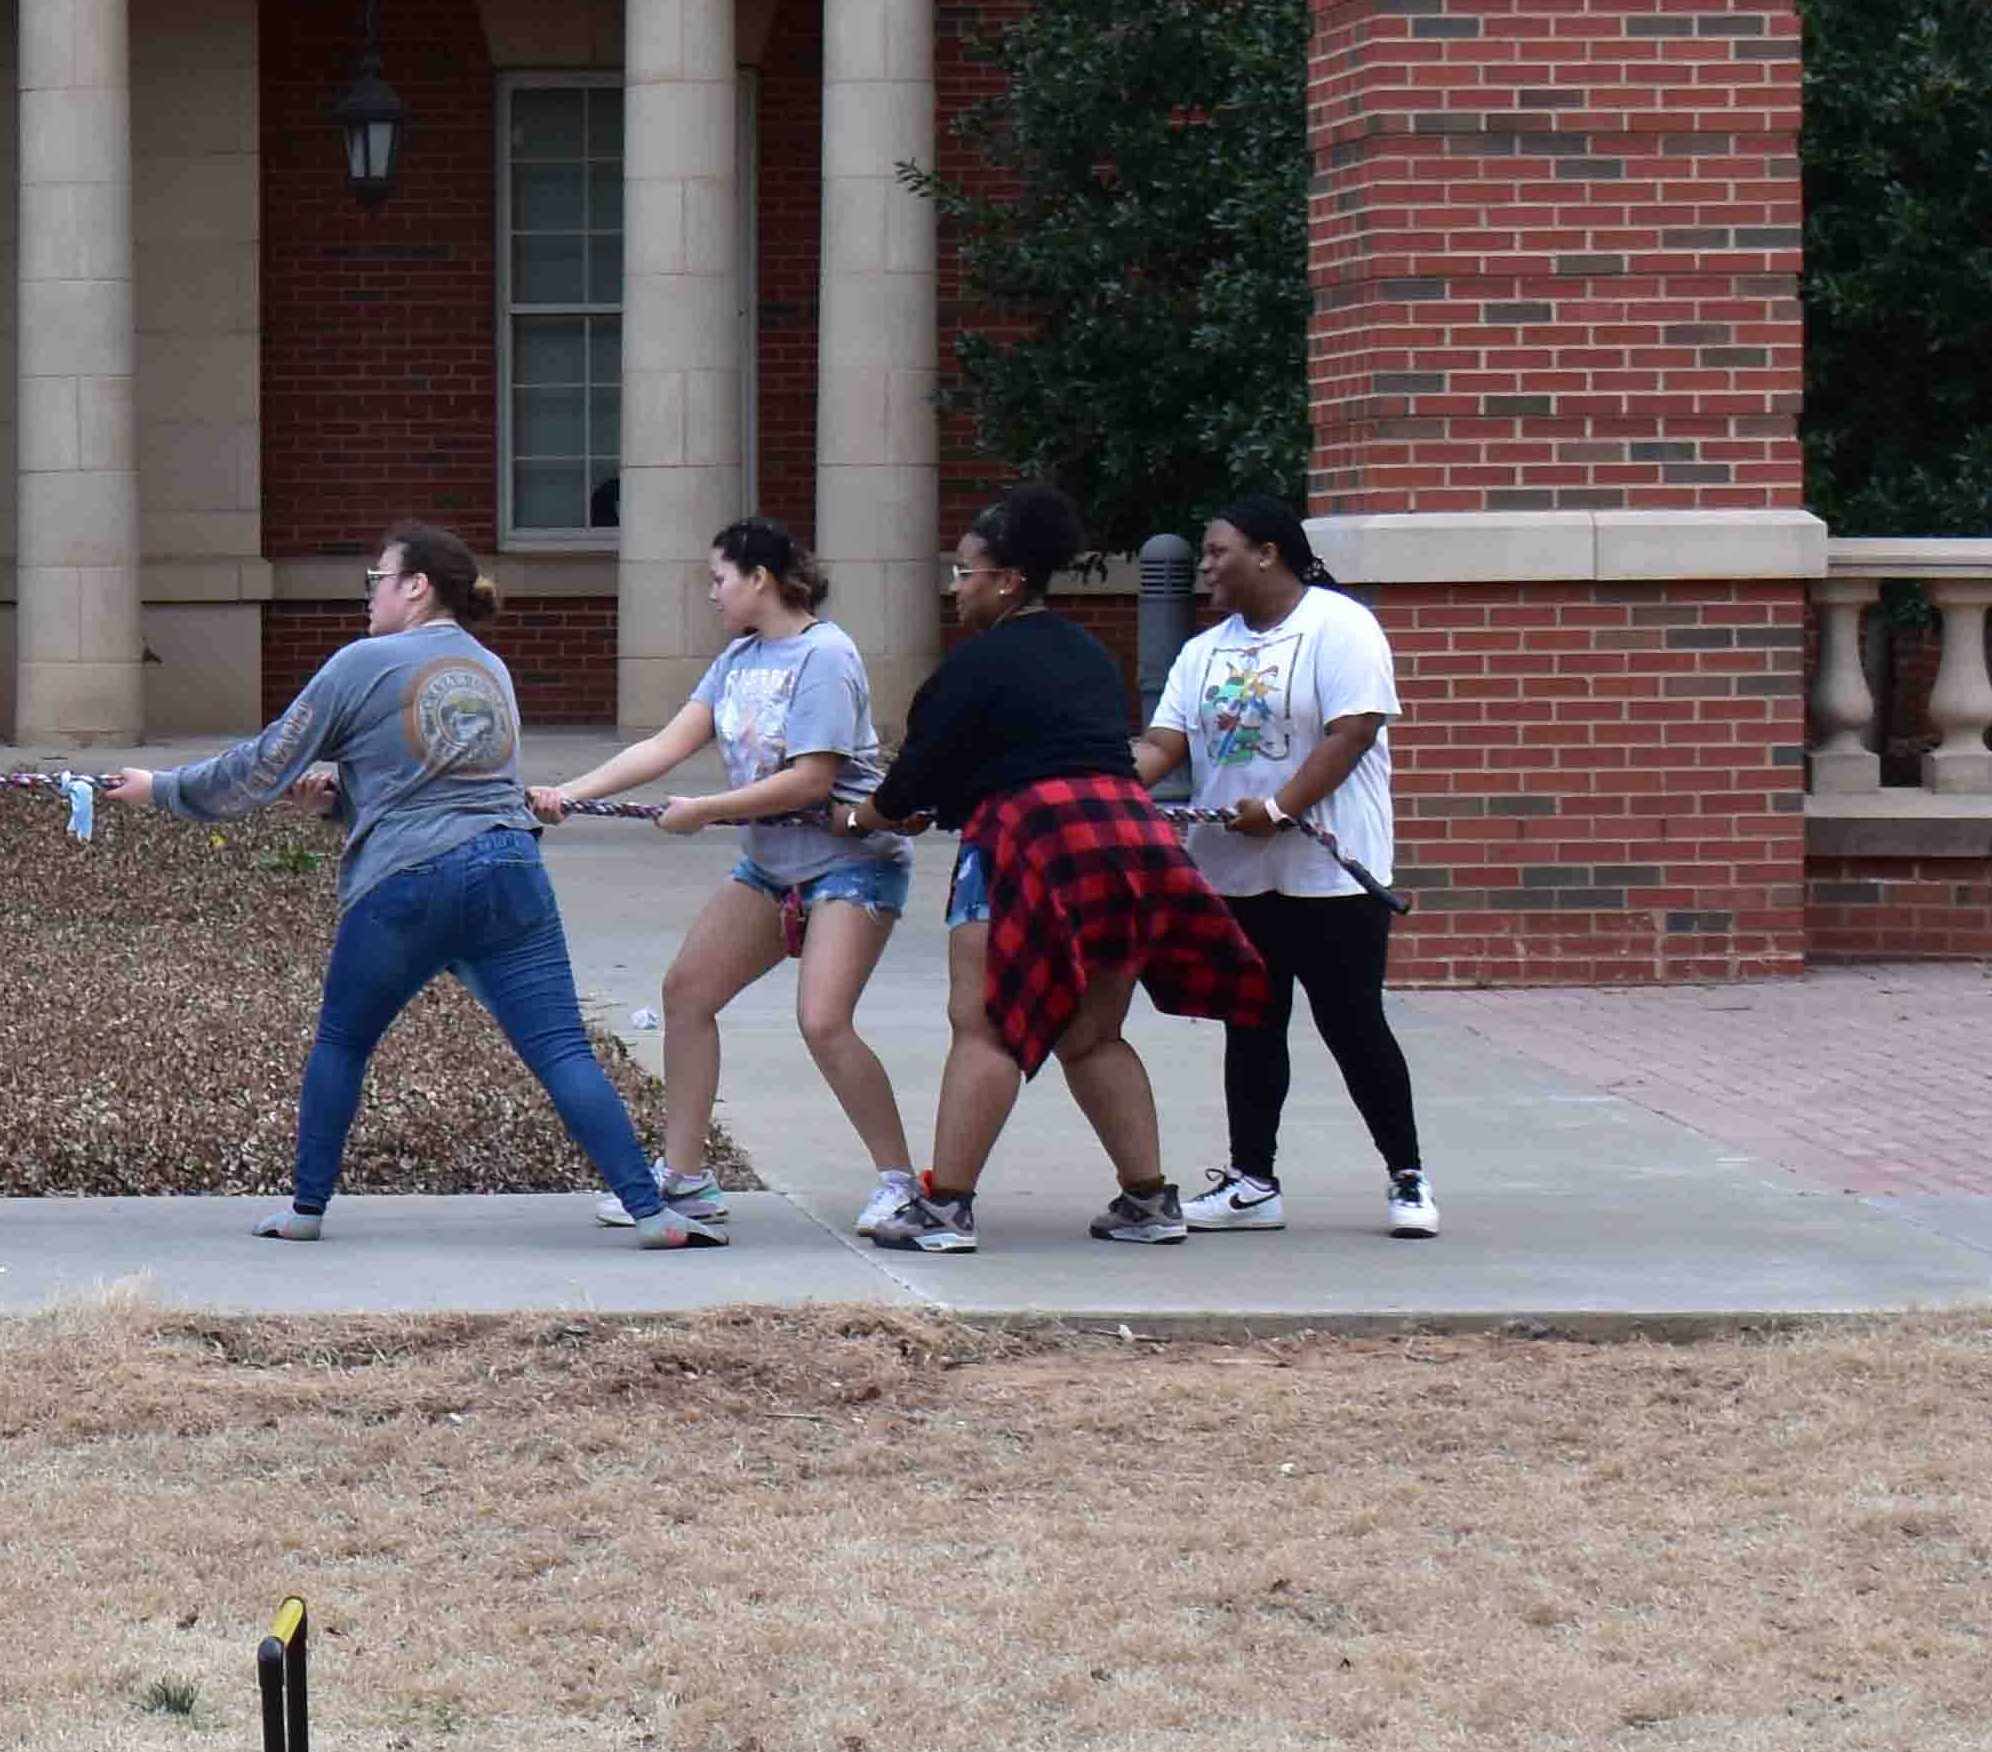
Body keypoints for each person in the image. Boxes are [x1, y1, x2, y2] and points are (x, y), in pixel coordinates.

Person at [110, 523, 715, 1248]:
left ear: (416, 586)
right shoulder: (492, 670)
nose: (369, 596)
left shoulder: (362, 663)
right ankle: (651, 1214)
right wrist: (338, 803)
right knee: (562, 1050)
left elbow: (264, 764)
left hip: (407, 883)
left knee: (342, 1041)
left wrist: (165, 789)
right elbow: (447, 784)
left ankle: (306, 1209)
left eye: (378, 580)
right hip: (509, 871)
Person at [856, 481, 1271, 1255]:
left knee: (981, 1027)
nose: (956, 588)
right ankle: (1149, 1202)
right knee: (1095, 1031)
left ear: (1008, 579)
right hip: (1128, 844)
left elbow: (910, 785)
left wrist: (859, 818)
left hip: (1029, 842)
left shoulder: (972, 667)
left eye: (965, 572)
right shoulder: (1086, 652)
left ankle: (943, 1208)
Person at [532, 516, 924, 1242]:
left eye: (718, 579)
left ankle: (901, 1186)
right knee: (687, 993)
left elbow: (812, 780)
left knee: (823, 1020)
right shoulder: (738, 659)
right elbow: (664, 745)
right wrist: (571, 791)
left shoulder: (826, 658)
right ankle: (685, 1181)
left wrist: (704, 810)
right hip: (772, 867)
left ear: (759, 578)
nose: (712, 594)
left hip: (852, 865)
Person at [1139, 496, 1436, 1238]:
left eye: (1218, 552)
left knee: (1352, 1023)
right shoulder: (1203, 652)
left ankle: (1407, 1178)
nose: (1206, 567)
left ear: (1267, 553)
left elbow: (1353, 731)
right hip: (1238, 877)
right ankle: (1253, 1182)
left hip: (1333, 876)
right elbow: (1163, 743)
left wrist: (1278, 808)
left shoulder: (1340, 626)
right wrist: (1102, 788)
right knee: (1253, 1023)